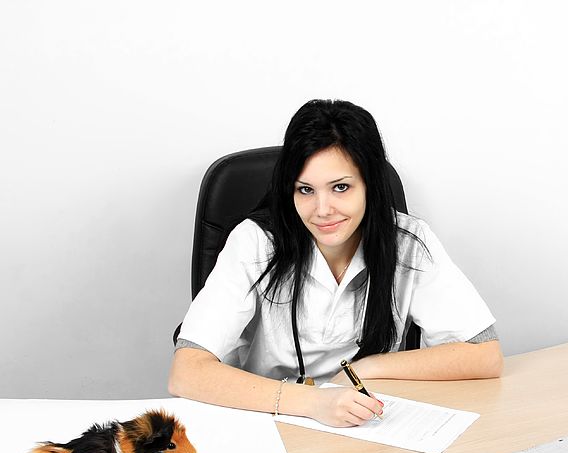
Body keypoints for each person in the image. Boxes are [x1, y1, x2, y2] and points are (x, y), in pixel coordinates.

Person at [168, 99, 502, 427]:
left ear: (370, 184)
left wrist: (362, 370)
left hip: (369, 421)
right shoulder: (255, 242)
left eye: (340, 187)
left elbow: (484, 354)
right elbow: (186, 372)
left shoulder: (408, 240)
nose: (322, 209)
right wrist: (314, 403)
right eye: (305, 190)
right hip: (269, 421)